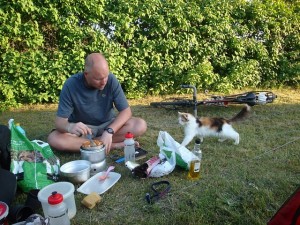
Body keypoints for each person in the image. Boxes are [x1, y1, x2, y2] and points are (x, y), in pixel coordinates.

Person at [47, 53, 147, 154]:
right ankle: (112, 145)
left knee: (139, 125)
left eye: (106, 76)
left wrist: (109, 132)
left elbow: (126, 111)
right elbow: (60, 122)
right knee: (54, 138)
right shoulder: (71, 85)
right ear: (86, 74)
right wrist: (70, 127)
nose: (104, 82)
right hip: (84, 132)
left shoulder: (111, 80)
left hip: (107, 125)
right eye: (98, 79)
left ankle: (93, 143)